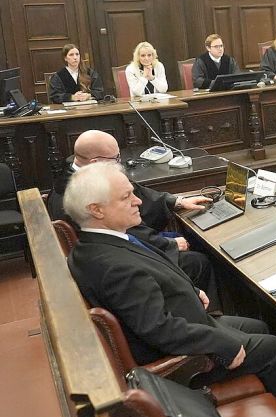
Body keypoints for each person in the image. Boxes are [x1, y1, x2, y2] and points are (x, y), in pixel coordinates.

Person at [63, 162, 276, 417]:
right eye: (126, 197)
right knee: (273, 348)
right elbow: (158, 329)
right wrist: (221, 343)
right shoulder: (114, 267)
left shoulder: (97, 243)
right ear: (96, 210)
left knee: (258, 326)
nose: (138, 201)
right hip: (179, 354)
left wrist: (190, 289)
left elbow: (153, 273)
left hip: (187, 318)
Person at [46, 130, 219, 307]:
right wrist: (168, 245)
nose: (120, 162)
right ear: (96, 162)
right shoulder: (79, 192)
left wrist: (177, 201)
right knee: (199, 261)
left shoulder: (79, 172)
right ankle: (207, 312)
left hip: (114, 249)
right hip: (120, 256)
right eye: (115, 158)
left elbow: (136, 195)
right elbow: (123, 230)